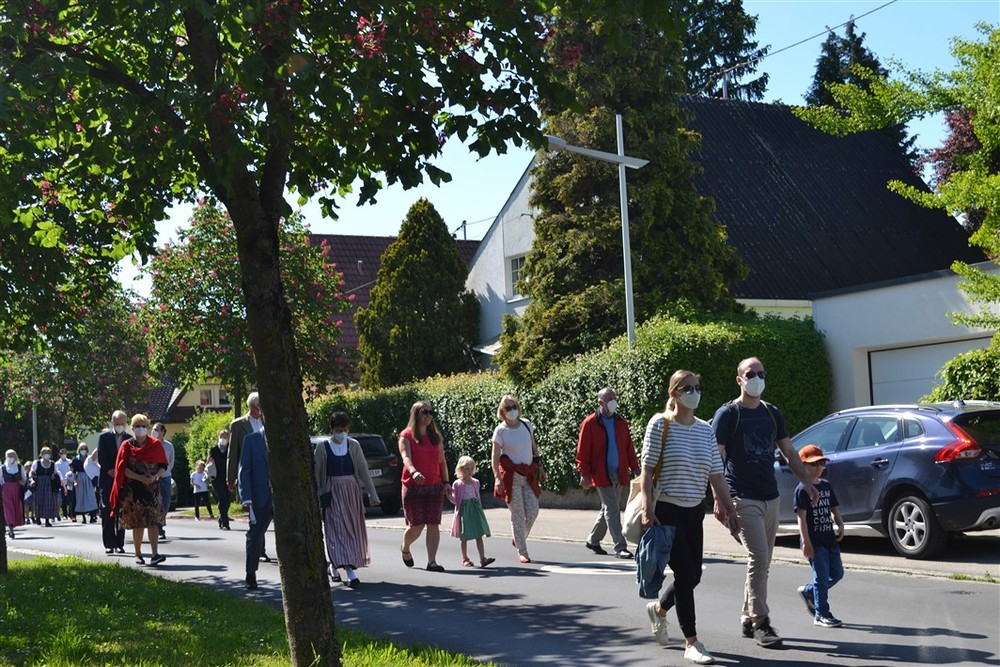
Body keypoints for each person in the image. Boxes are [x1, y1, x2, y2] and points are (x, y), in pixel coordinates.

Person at [711, 356, 818, 648]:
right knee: (758, 558)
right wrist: (719, 499)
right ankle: (761, 622)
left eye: (761, 373)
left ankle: (747, 618)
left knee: (762, 562)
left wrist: (806, 482)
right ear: (739, 380)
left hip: (770, 496)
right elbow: (714, 460)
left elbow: (789, 452)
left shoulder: (772, 413)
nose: (757, 378)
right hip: (741, 497)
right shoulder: (728, 414)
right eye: (750, 374)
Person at [640, 370, 739, 666]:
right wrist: (647, 509)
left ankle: (659, 609)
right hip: (667, 511)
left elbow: (716, 474)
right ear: (674, 393)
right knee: (684, 574)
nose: (695, 392)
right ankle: (692, 642)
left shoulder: (705, 430)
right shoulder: (660, 424)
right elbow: (647, 471)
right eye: (688, 388)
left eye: (698, 387)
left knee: (694, 575)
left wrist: (730, 509)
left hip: (695, 511)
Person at [313, 412, 380, 588]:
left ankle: (342, 566)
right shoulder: (322, 447)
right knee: (335, 530)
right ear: (332, 429)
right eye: (338, 429)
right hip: (332, 493)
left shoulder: (354, 445)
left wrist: (373, 495)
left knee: (351, 530)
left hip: (351, 493)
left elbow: (363, 470)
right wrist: (318, 496)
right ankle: (345, 569)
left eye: (344, 429)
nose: (341, 433)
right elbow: (317, 474)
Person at [576, 386, 640, 559]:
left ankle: (593, 540)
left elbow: (629, 448)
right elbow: (583, 451)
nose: (613, 402)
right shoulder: (590, 423)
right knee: (612, 508)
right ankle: (620, 547)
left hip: (619, 472)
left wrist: (636, 468)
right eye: (609, 399)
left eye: (614, 398)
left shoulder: (621, 423)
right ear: (600, 403)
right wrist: (584, 473)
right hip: (601, 473)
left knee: (607, 508)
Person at [795, 444, 845, 629]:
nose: (819, 467)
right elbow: (801, 518)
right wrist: (806, 542)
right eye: (813, 464)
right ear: (802, 466)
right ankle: (821, 614)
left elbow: (833, 508)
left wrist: (840, 523)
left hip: (830, 539)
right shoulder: (802, 490)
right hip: (814, 542)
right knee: (822, 578)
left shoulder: (826, 486)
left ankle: (809, 591)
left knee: (837, 574)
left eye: (821, 464)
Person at [491, 394, 545, 563]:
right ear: (502, 411)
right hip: (511, 477)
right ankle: (523, 551)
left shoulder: (526, 424)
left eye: (514, 406)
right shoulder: (500, 431)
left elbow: (534, 448)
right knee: (518, 515)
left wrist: (540, 467)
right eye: (508, 408)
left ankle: (518, 537)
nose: (512, 410)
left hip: (528, 475)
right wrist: (497, 478)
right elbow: (495, 457)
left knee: (533, 510)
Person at [110, 413, 168, 566]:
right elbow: (122, 469)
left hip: (153, 489)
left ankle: (155, 554)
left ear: (147, 428)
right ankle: (138, 554)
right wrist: (140, 478)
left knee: (153, 522)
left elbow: (163, 465)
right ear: (132, 428)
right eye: (137, 426)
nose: (141, 429)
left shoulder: (155, 445)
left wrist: (155, 476)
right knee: (138, 523)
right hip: (134, 489)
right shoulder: (126, 445)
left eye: (143, 426)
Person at [398, 400, 450, 572]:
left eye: (430, 412)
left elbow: (442, 461)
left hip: (434, 485)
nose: (428, 415)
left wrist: (446, 482)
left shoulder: (436, 436)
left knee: (433, 523)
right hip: (414, 485)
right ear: (416, 414)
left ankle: (432, 562)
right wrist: (413, 472)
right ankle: (405, 547)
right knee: (417, 525)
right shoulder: (406, 436)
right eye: (424, 412)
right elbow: (406, 457)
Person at [228, 392, 271, 561]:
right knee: (256, 515)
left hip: (265, 475)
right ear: (254, 406)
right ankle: (259, 549)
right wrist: (231, 477)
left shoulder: (267, 422)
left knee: (265, 513)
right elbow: (233, 453)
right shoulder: (238, 425)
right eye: (260, 404)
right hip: (248, 475)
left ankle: (259, 547)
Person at [238, 427, 273, 590]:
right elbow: (244, 470)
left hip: (282, 497)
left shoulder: (285, 437)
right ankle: (250, 573)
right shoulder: (251, 440)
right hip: (260, 497)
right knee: (255, 535)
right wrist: (246, 497)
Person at [450, 456, 494, 568]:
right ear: (460, 469)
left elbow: (477, 496)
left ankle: (482, 558)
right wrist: (448, 495)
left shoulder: (476, 482)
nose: (469, 471)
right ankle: (465, 558)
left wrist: (480, 508)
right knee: (464, 536)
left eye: (471, 468)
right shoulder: (457, 484)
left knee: (479, 534)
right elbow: (455, 500)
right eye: (466, 469)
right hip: (464, 510)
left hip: (475, 509)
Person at [97, 410, 129, 554]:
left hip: (123, 481)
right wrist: (110, 471)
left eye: (122, 423)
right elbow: (101, 457)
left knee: (121, 512)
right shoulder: (104, 438)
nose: (120, 425)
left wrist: (122, 473)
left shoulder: (129, 439)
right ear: (113, 422)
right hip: (107, 480)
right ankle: (109, 544)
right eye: (117, 423)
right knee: (107, 511)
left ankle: (120, 543)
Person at [152, 423, 175, 539]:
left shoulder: (169, 446)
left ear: (163, 432)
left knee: (166, 502)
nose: (154, 431)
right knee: (154, 503)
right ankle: (157, 527)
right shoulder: (148, 444)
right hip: (152, 478)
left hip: (165, 477)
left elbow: (171, 462)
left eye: (157, 430)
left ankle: (159, 523)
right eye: (153, 429)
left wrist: (163, 472)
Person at [30, 446, 60, 527]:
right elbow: (32, 472)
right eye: (45, 453)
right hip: (39, 483)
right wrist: (32, 480)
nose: (47, 454)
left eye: (48, 453)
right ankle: (38, 517)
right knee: (38, 500)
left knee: (48, 501)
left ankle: (47, 520)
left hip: (49, 484)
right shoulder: (37, 463)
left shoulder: (53, 464)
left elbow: (56, 473)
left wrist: (54, 476)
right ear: (41, 454)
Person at [208, 429, 232, 530]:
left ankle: (221, 518)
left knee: (227, 501)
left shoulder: (230, 450)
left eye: (225, 437)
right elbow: (209, 462)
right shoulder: (213, 450)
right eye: (221, 437)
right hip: (216, 478)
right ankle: (225, 523)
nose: (223, 439)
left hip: (228, 478)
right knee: (222, 498)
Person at [70, 445, 98, 523]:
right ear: (79, 450)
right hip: (80, 478)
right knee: (81, 498)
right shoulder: (76, 459)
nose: (83, 450)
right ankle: (83, 517)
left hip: (88, 477)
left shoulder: (89, 458)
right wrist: (75, 481)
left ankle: (92, 516)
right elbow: (73, 471)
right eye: (82, 449)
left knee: (91, 497)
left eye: (85, 448)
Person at [2, 449, 26, 538]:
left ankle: (13, 524)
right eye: (8, 456)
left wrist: (22, 482)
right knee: (8, 508)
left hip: (17, 489)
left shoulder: (19, 467)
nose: (10, 458)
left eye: (12, 456)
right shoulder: (3, 468)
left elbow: (24, 478)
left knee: (16, 507)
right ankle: (10, 528)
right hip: (6, 489)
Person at [55, 448, 73, 521]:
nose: (63, 455)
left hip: (70, 483)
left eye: (64, 453)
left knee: (70, 499)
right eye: (62, 453)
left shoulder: (70, 461)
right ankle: (65, 514)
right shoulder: (57, 463)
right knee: (63, 499)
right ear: (60, 454)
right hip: (62, 483)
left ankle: (70, 513)